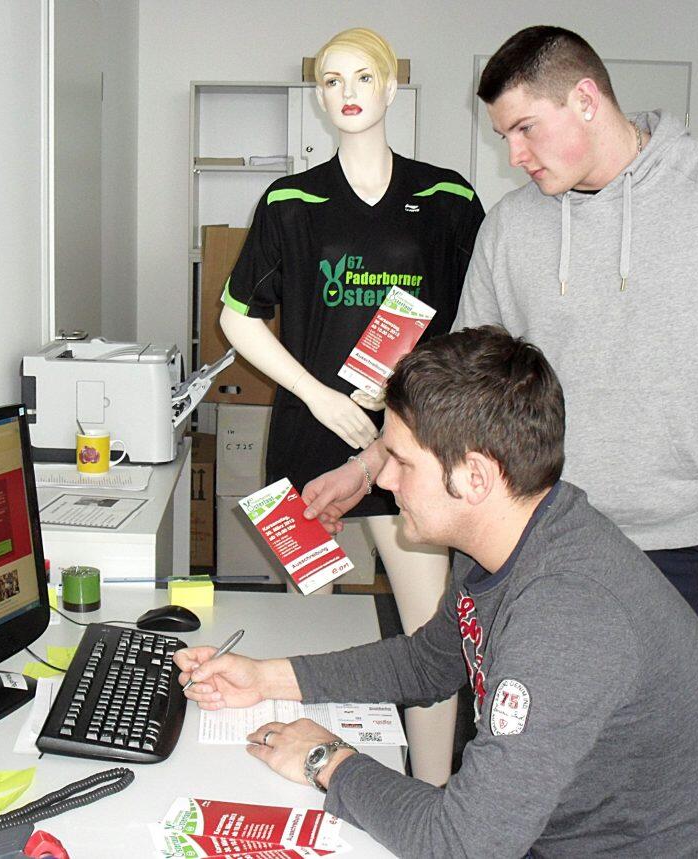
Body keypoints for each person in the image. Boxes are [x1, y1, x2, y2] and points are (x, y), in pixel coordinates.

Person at [303, 25, 698, 666]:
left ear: (585, 99)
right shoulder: (510, 227)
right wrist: (368, 466)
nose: (514, 156)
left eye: (525, 129)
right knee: (525, 729)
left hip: (690, 550)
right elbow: (457, 394)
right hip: (538, 540)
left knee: (687, 731)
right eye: (504, 135)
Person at [175, 327, 698, 858]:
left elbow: (461, 843)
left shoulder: (568, 613)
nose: (383, 479)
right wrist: (265, 678)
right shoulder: (506, 537)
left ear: (474, 477)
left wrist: (325, 759)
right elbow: (427, 663)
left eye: (401, 460)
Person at [219, 27, 484, 783]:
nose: (348, 93)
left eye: (364, 76)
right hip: (308, 444)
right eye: (332, 80)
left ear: (392, 86)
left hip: (414, 454)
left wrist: (410, 390)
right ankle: (318, 782)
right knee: (312, 633)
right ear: (319, 94)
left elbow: (478, 321)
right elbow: (238, 316)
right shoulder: (291, 201)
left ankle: (433, 791)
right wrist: (315, 393)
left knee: (430, 639)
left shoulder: (447, 198)